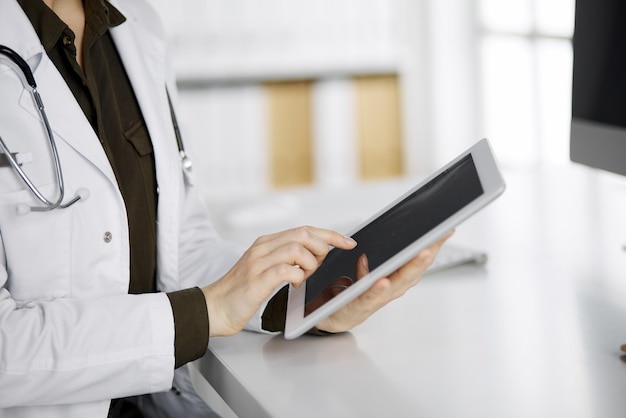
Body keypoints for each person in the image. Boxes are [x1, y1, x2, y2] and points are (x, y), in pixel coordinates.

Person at [0, 0, 451, 416]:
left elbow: (180, 251)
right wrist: (204, 312)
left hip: (159, 402)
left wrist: (298, 299)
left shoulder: (136, 27)